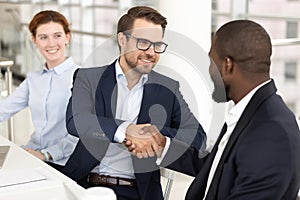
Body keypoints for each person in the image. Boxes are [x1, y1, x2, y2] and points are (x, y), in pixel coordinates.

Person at [141, 19, 300, 199]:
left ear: (227, 66)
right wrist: (164, 147)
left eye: (211, 62)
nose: (209, 70)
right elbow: (219, 168)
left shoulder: (271, 133)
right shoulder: (252, 113)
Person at [62, 6, 206, 200]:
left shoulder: (167, 88)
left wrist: (153, 135)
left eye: (157, 45)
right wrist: (126, 130)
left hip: (138, 192)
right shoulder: (88, 78)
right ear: (122, 40)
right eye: (143, 43)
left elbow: (197, 137)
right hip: (85, 184)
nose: (151, 52)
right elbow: (76, 121)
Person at [0, 10, 79, 171]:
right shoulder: (33, 79)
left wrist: (46, 155)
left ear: (67, 37)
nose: (51, 44)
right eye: (43, 37)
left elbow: (83, 133)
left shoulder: (82, 77)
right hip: (32, 153)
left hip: (63, 161)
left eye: (57, 35)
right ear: (35, 41)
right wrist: (37, 155)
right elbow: (4, 109)